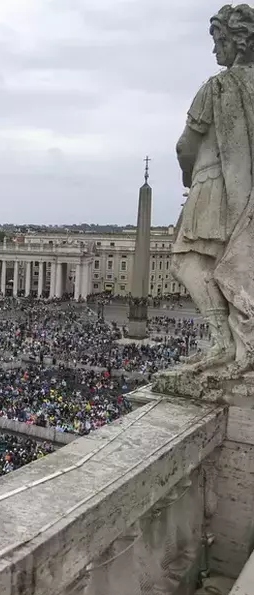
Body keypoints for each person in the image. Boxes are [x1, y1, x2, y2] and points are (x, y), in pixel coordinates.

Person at [171, 4, 254, 376]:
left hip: (211, 185)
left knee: (187, 262)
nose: (215, 49)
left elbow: (185, 146)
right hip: (245, 191)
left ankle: (223, 342)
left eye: (220, 41)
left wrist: (188, 176)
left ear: (238, 42)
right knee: (228, 263)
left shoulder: (217, 87)